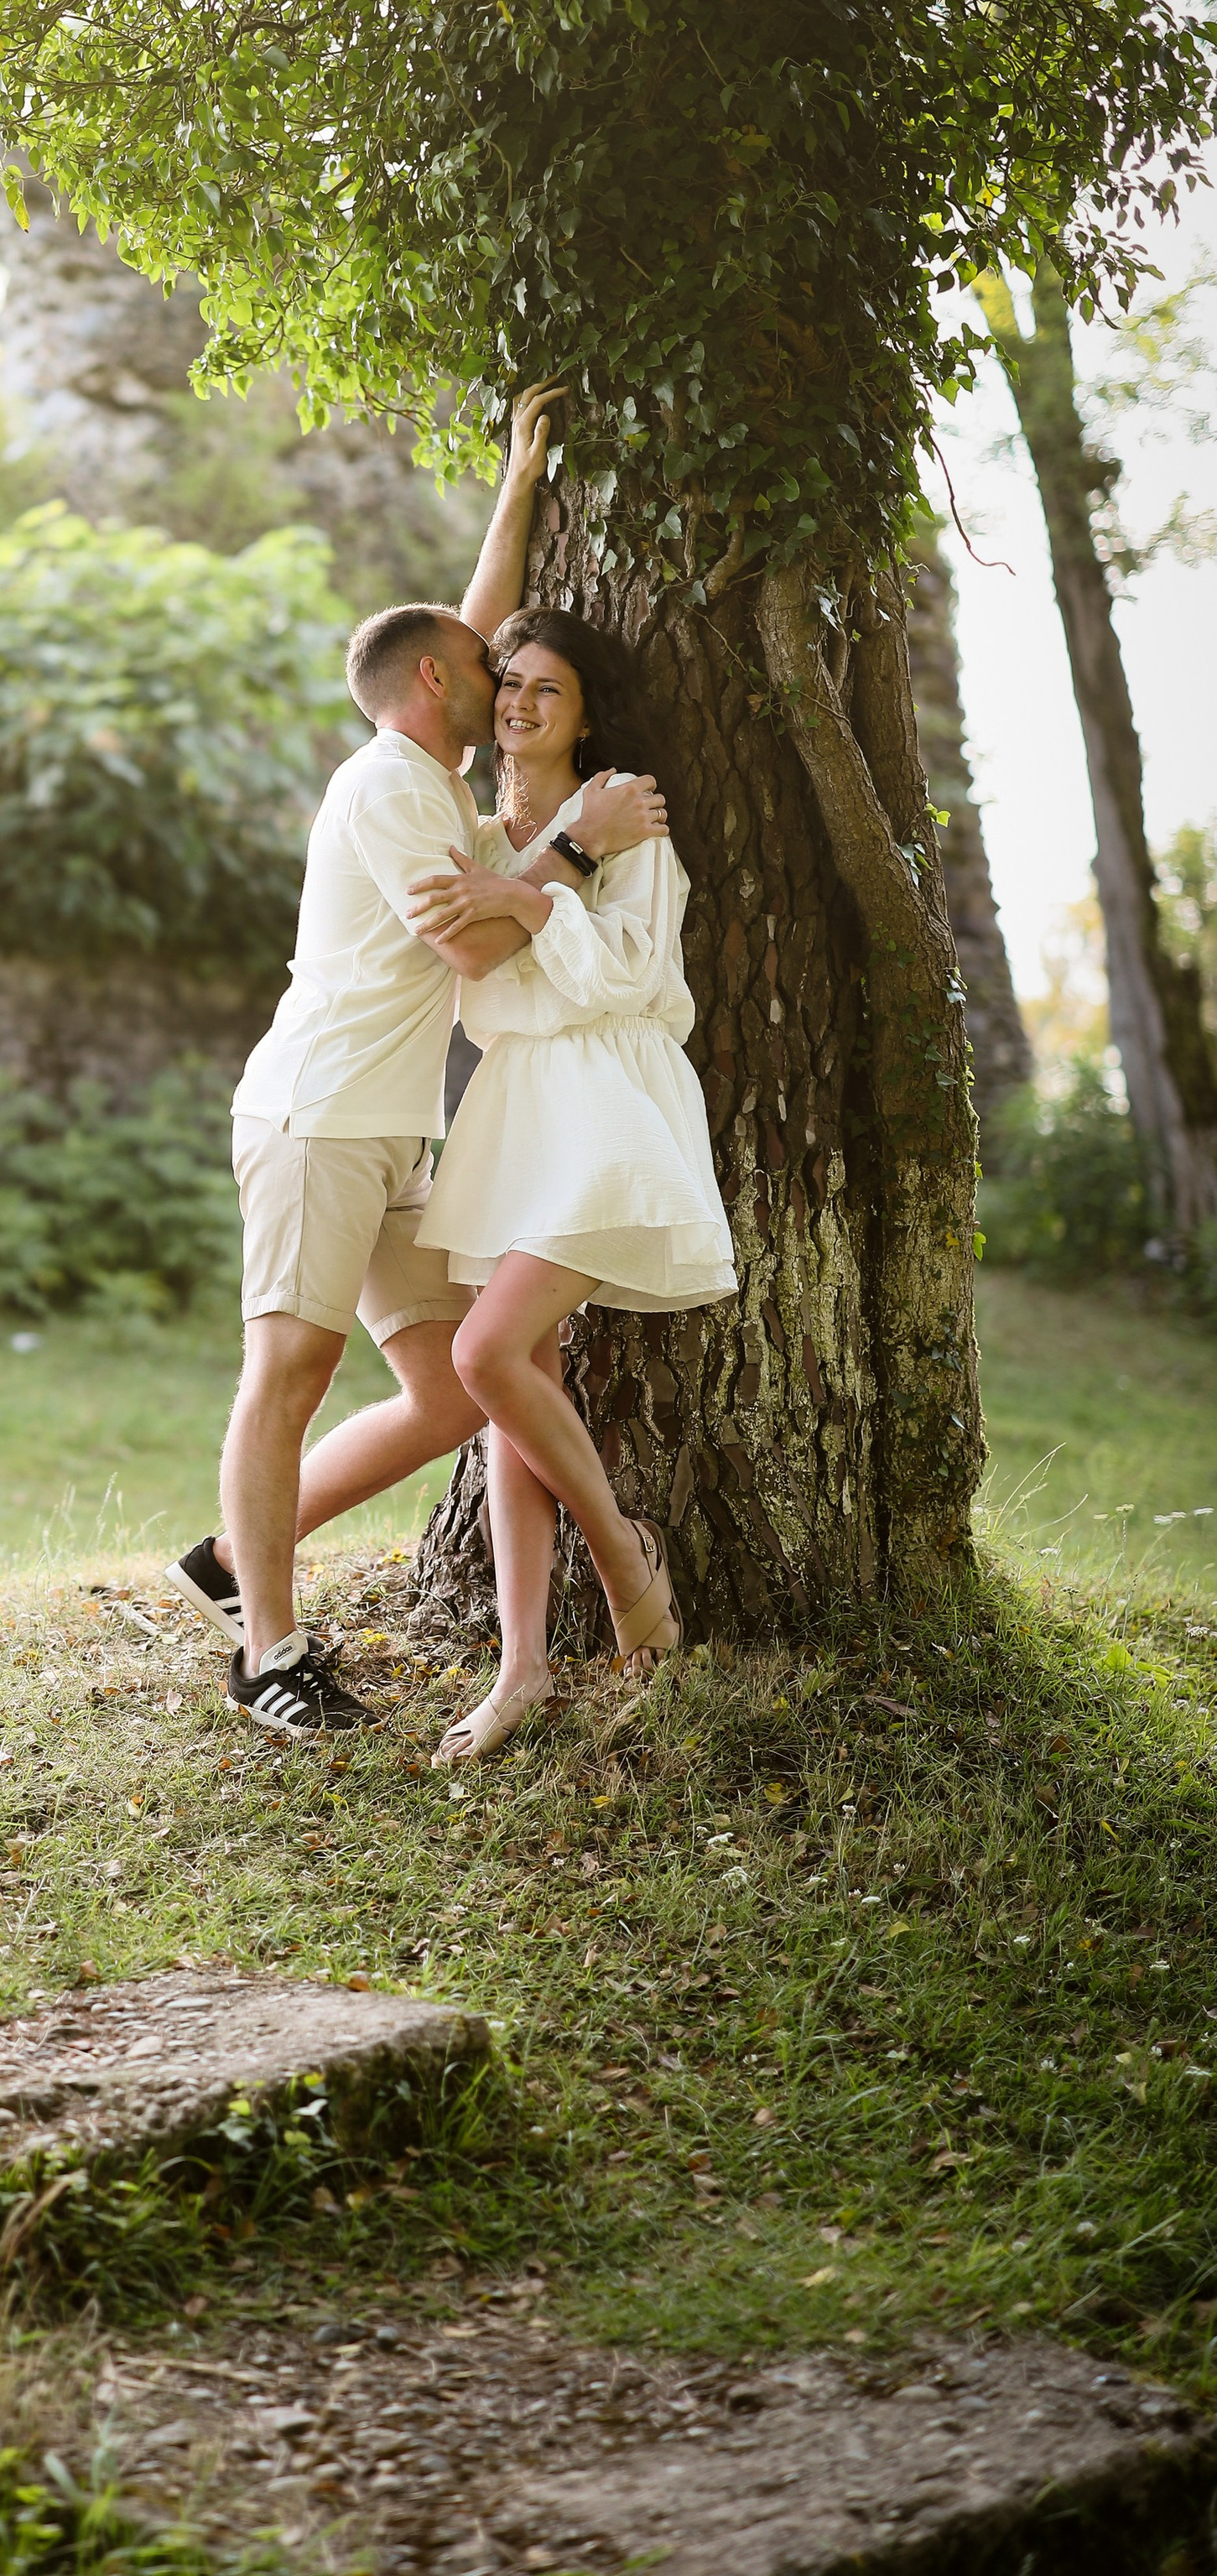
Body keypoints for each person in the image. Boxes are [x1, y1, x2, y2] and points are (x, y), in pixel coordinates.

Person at [162, 384, 668, 1737]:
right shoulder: (390, 788)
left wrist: (520, 476)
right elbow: (475, 953)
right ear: (439, 686)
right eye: (485, 670)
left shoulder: (433, 774)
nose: (509, 683)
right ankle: (268, 1650)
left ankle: (225, 1555)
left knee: (453, 1392)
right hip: (321, 1120)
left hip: (398, 1138)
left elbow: (469, 612)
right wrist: (584, 841)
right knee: (290, 1373)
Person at [403, 606, 736, 1765]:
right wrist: (530, 880)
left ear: (589, 712)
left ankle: (623, 1561)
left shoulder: (630, 813)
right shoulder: (480, 834)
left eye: (549, 689)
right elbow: (471, 967)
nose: (519, 703)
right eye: (510, 684)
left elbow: (638, 977)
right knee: (511, 1400)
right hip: (509, 1111)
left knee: (482, 1356)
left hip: (604, 1103)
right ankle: (523, 1667)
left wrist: (537, 903)